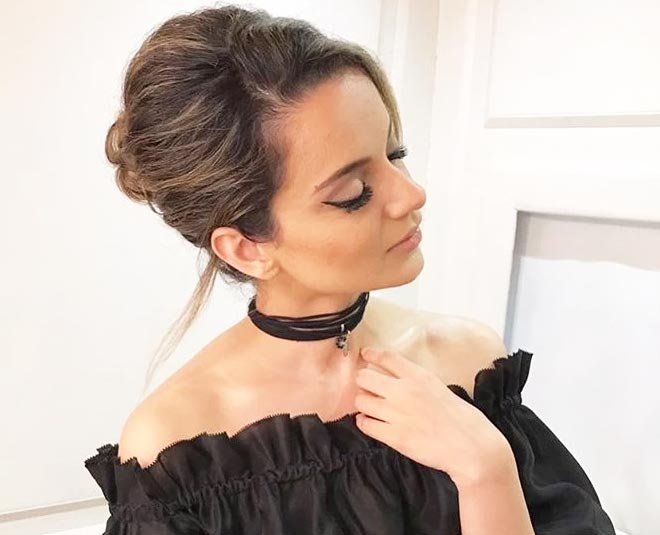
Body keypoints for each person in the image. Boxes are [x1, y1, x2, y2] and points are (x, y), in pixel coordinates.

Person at [84, 4, 617, 534]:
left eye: (395, 153)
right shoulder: (176, 452)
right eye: (354, 193)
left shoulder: (467, 362)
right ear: (247, 248)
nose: (411, 194)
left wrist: (485, 471)